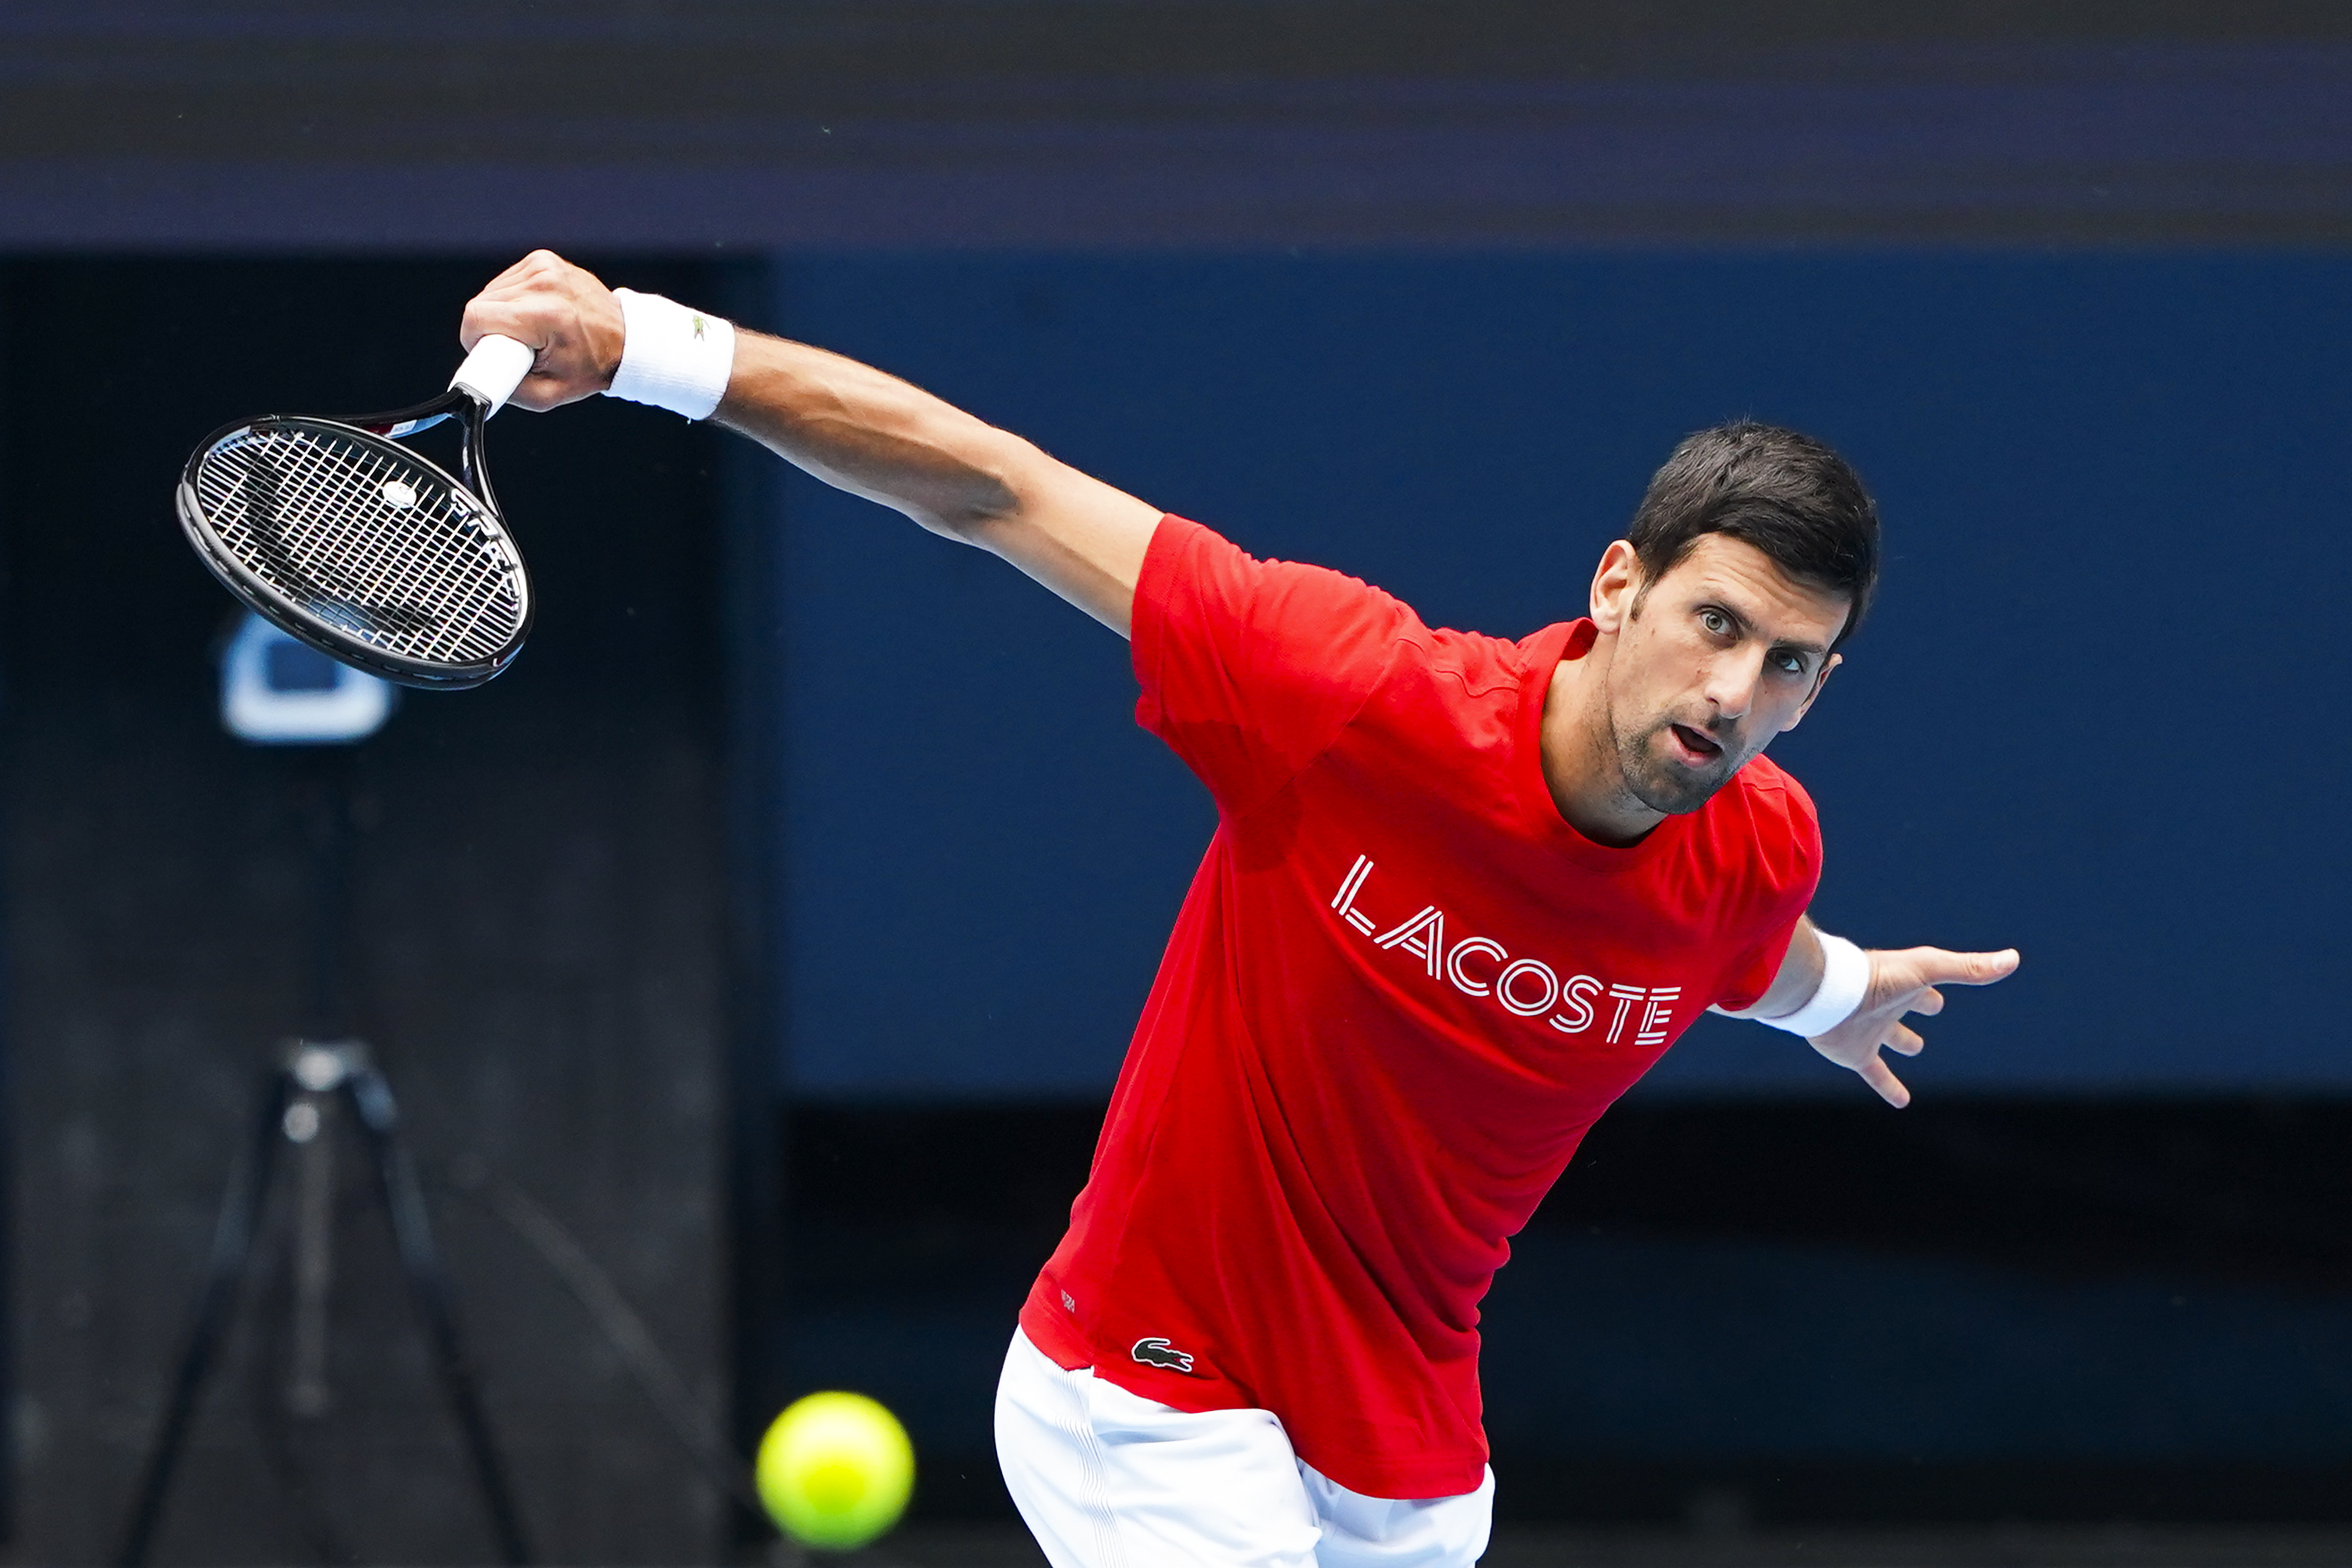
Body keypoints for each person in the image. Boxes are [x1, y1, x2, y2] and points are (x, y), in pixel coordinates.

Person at [461, 251, 2019, 1568]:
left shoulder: (1757, 850)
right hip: (1147, 1378)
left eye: (1789, 664)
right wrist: (647, 348)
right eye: (1716, 624)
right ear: (1621, 586)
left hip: (1402, 1438)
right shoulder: (1350, 694)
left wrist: (1839, 995)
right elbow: (992, 486)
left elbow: (1751, 953)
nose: (1734, 690)